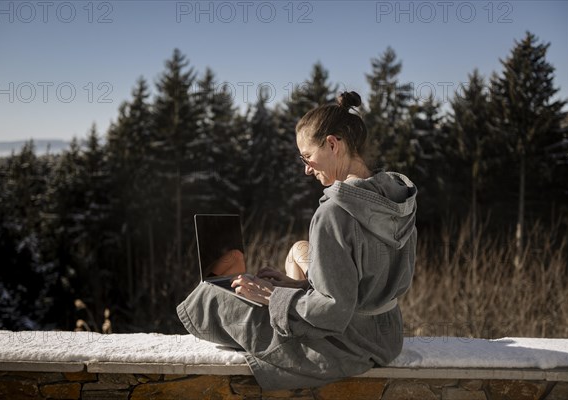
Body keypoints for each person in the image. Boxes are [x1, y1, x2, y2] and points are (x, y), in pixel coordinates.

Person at [177, 91, 417, 390]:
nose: (306, 168)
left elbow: (333, 312)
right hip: (388, 336)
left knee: (210, 298)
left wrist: (270, 296)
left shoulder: (334, 213)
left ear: (332, 144)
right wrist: (297, 286)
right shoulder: (395, 197)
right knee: (268, 276)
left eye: (308, 156)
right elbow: (359, 285)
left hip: (350, 345)